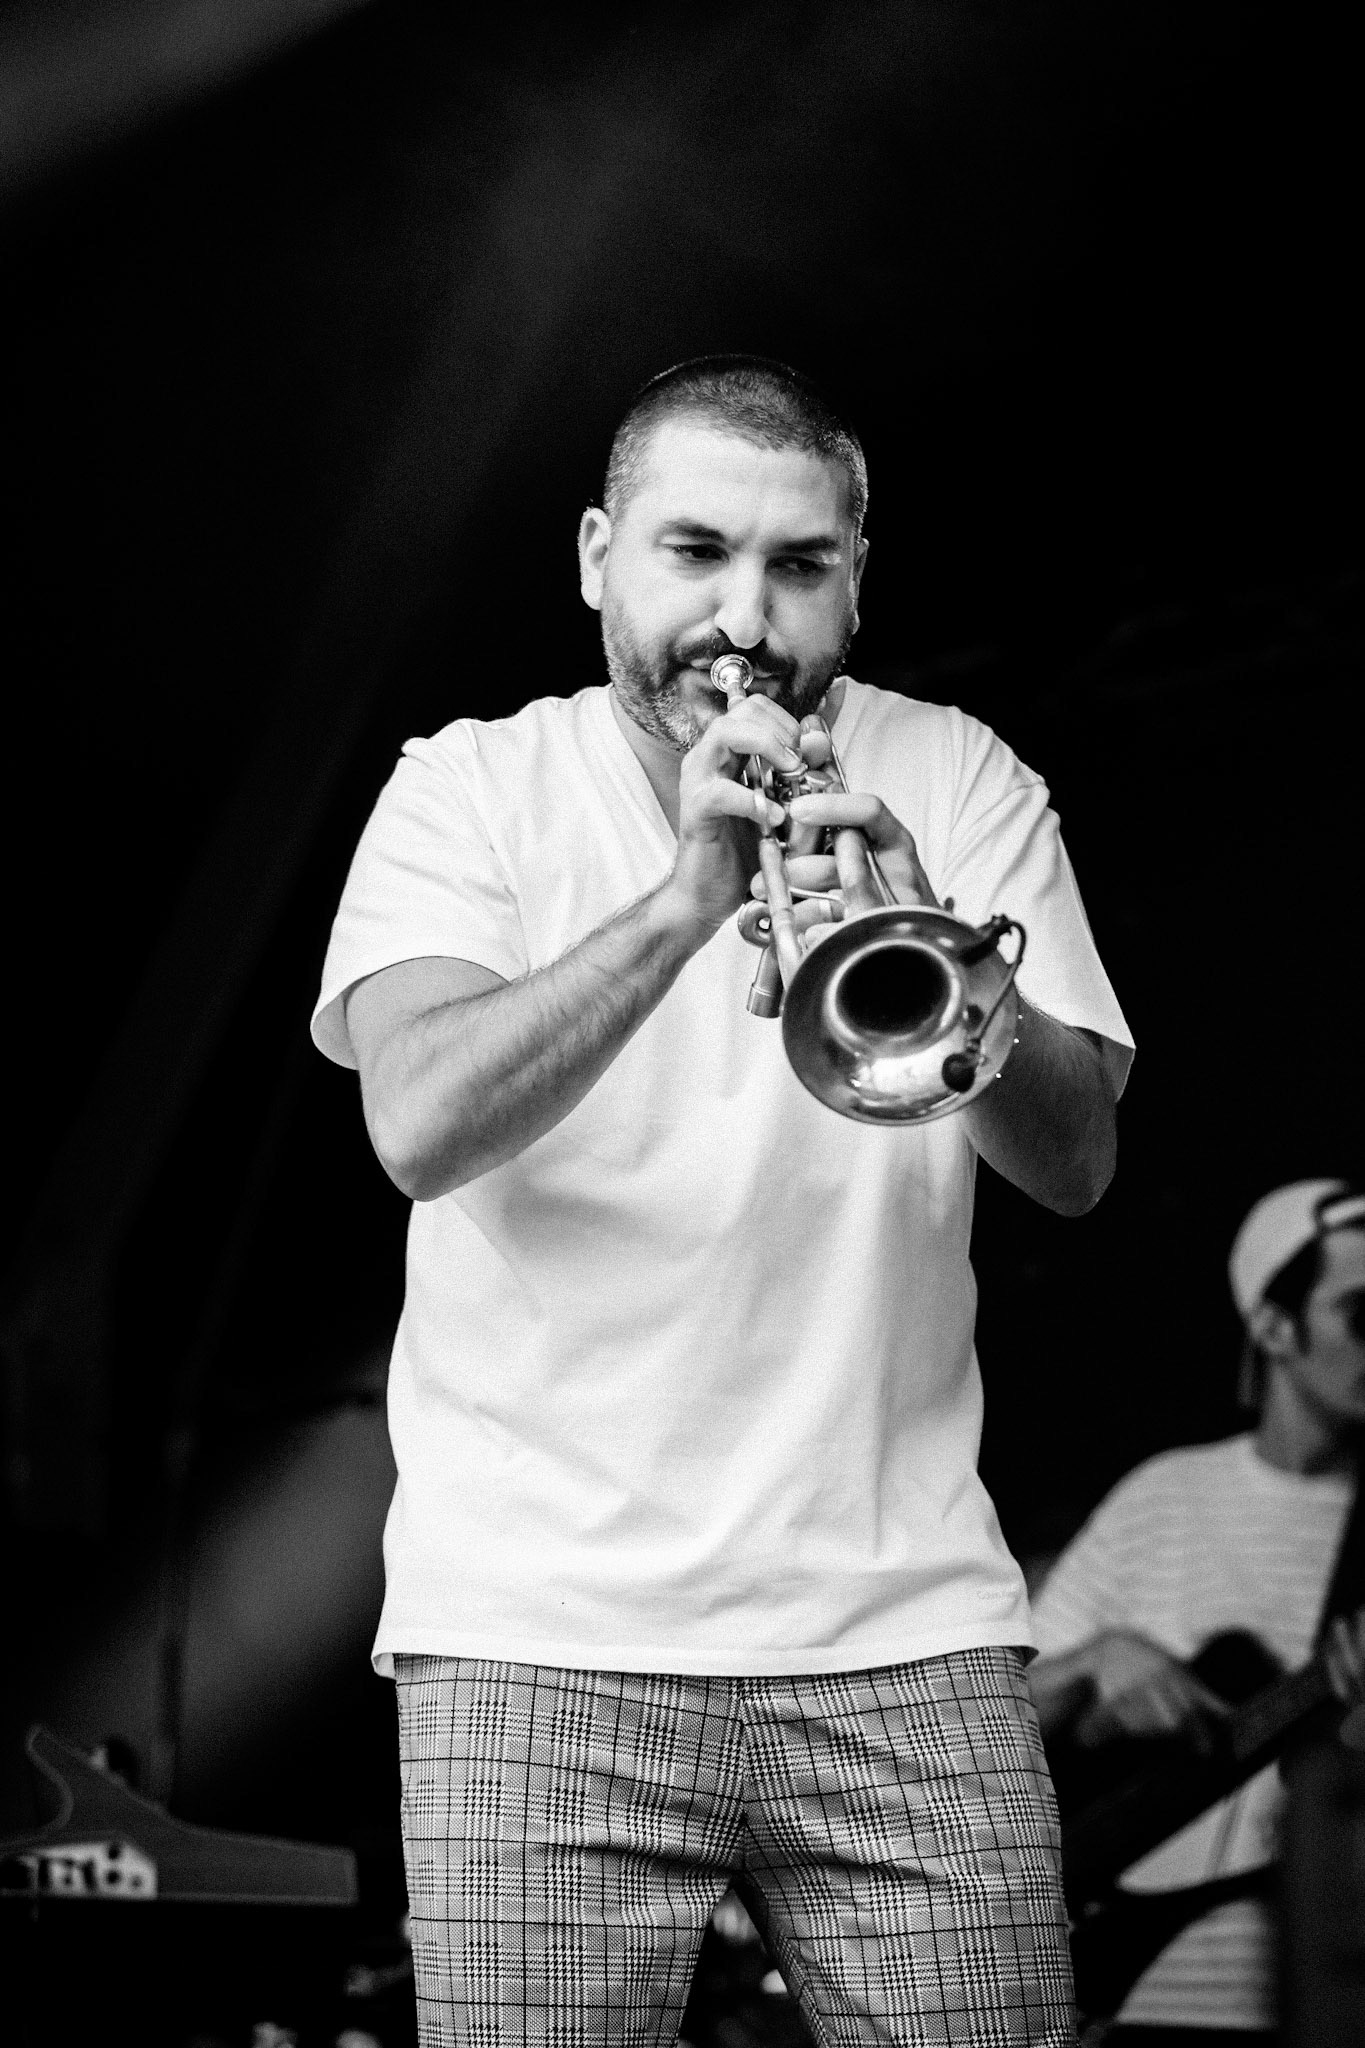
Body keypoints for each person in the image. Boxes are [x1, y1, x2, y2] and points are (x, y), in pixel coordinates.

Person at [312, 355, 1134, 2046]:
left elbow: (1078, 1159)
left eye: (800, 564)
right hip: (537, 1633)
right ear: (600, 553)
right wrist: (690, 895)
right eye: (696, 553)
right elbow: (416, 1120)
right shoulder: (468, 786)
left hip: (905, 1625)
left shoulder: (958, 776)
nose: (745, 615)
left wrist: (945, 947)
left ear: (856, 574)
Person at [1029, 1179, 1365, 2045]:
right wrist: (1095, 1659)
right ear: (1272, 1326)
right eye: (1358, 1314)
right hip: (1148, 1998)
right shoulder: (1163, 1500)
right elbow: (982, 1730)